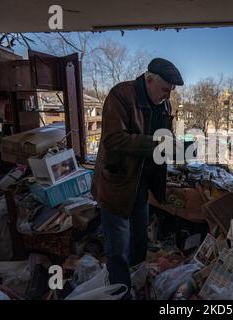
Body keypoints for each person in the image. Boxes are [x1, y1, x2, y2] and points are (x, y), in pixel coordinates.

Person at [92, 58, 184, 294]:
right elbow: (113, 140)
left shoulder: (164, 105)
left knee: (139, 241)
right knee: (118, 248)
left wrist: (177, 147)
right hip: (118, 184)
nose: (167, 96)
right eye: (165, 89)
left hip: (142, 184)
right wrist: (157, 142)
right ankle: (120, 292)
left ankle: (136, 282)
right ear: (149, 79)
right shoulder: (121, 95)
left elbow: (164, 138)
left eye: (171, 92)